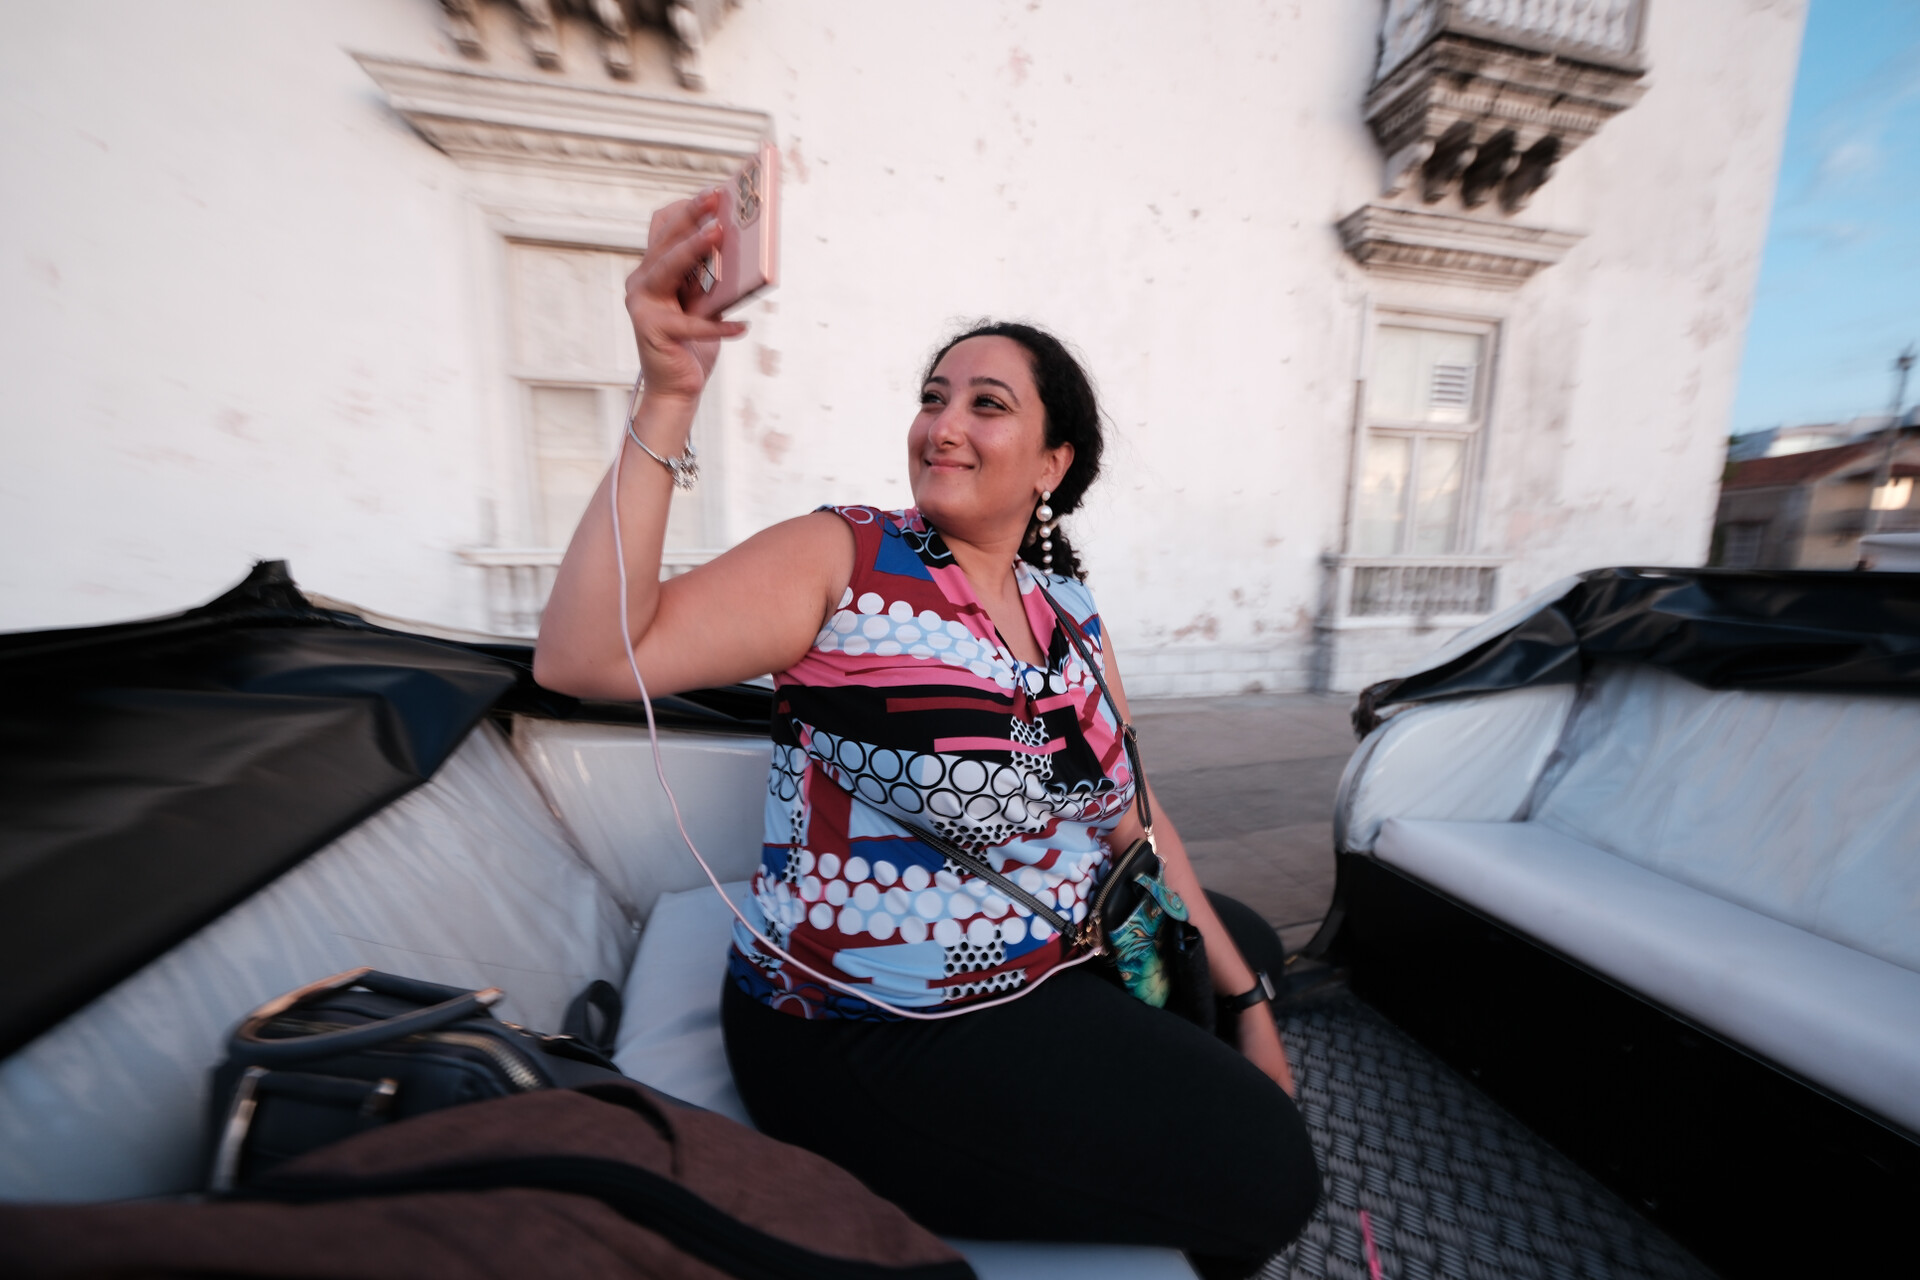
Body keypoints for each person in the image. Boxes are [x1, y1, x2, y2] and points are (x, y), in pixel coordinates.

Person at [535, 188, 1320, 1279]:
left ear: (1052, 464)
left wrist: (1244, 999)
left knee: (1242, 937)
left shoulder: (1069, 614)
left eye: (987, 403)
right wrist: (669, 392)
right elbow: (582, 655)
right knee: (1275, 1173)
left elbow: (1136, 817)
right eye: (932, 395)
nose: (942, 423)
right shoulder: (845, 555)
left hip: (1042, 947)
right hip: (869, 1022)